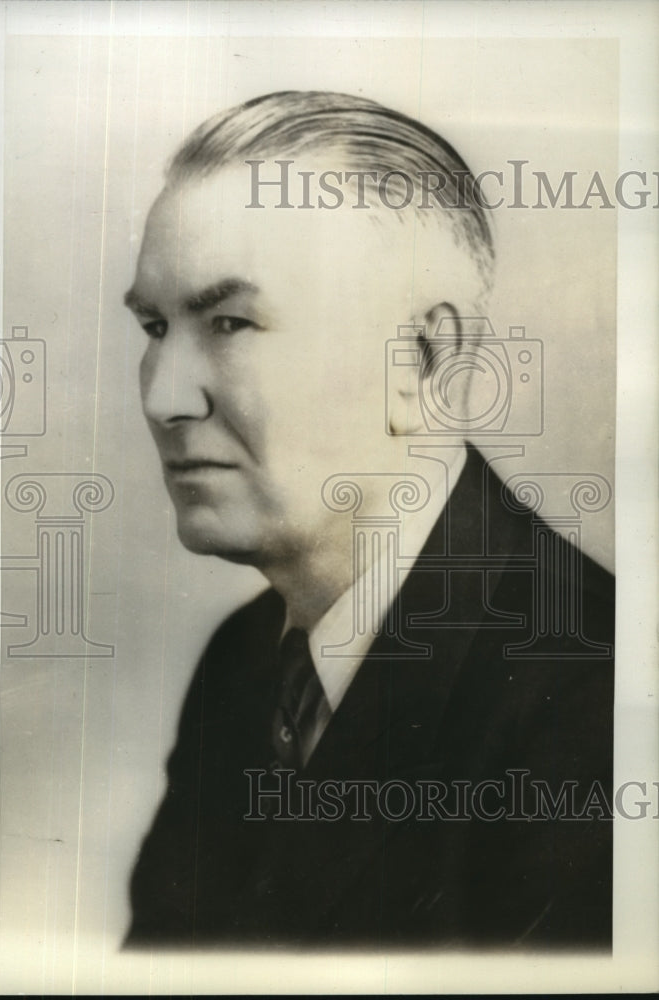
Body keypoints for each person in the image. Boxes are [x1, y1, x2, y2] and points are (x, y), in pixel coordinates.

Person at [122, 91, 614, 949]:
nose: (164, 396)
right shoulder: (241, 668)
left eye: (230, 322)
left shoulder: (602, 701)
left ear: (423, 361)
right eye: (155, 327)